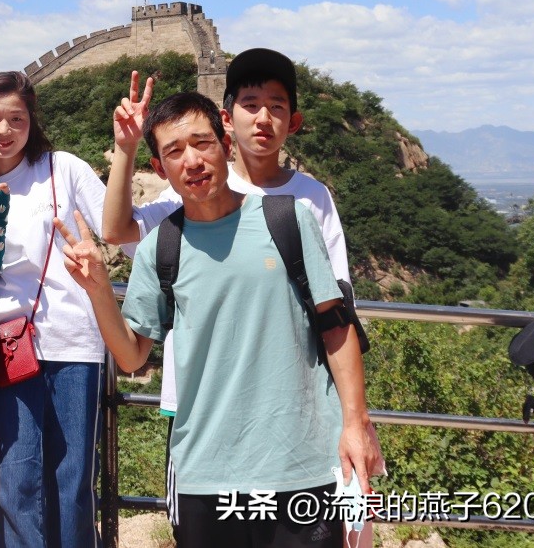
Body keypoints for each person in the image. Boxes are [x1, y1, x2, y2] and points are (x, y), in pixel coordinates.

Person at [66, 91, 378, 547]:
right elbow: (132, 356)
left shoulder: (289, 219)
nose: (191, 160)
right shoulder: (161, 247)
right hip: (205, 474)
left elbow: (335, 325)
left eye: (202, 143)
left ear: (226, 146)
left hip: (300, 466)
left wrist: (356, 424)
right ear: (160, 169)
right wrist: (97, 288)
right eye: (174, 151)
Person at [0, 70, 113, 548]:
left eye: (16, 118)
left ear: (32, 122)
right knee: (17, 476)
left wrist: (127, 154)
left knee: (71, 478)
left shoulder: (60, 168)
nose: (4, 129)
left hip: (73, 340)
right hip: (7, 343)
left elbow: (117, 223)